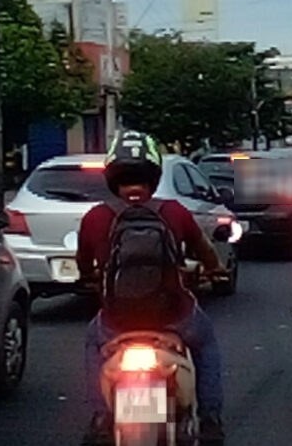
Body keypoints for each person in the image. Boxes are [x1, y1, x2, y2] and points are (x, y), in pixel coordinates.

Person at [78, 130, 227, 446]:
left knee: (93, 343)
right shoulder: (174, 211)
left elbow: (84, 265)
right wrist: (216, 271)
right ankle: (211, 420)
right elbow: (206, 252)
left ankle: (101, 418)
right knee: (206, 344)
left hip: (116, 322)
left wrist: (89, 278)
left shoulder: (95, 217)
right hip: (176, 317)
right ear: (154, 176)